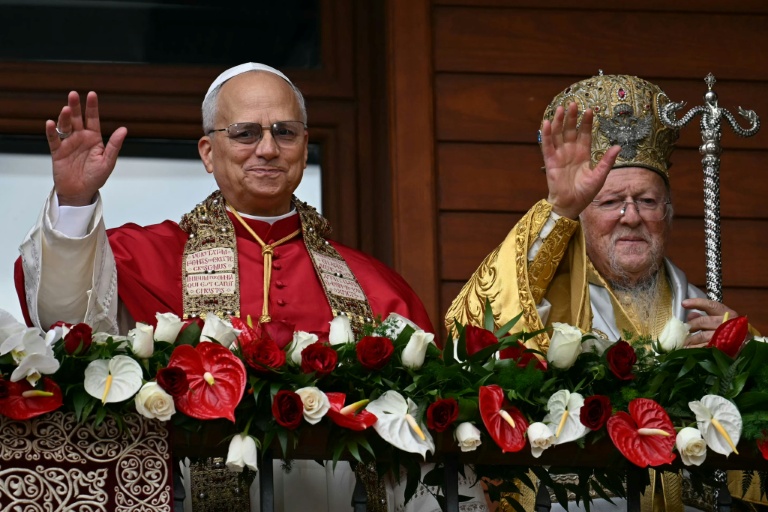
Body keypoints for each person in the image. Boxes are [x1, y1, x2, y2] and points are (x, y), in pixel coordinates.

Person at [14, 63, 488, 512]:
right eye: (245, 133)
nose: (267, 148)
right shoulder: (144, 257)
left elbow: (424, 431)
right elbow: (66, 320)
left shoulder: (375, 283)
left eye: (284, 132)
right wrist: (76, 201)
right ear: (207, 152)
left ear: (304, 145)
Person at [445, 73, 754, 511]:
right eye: (610, 203)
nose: (631, 217)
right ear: (582, 217)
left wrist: (741, 351)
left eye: (647, 201)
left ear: (668, 215)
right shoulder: (542, 299)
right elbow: (471, 326)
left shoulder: (706, 313)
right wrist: (560, 208)